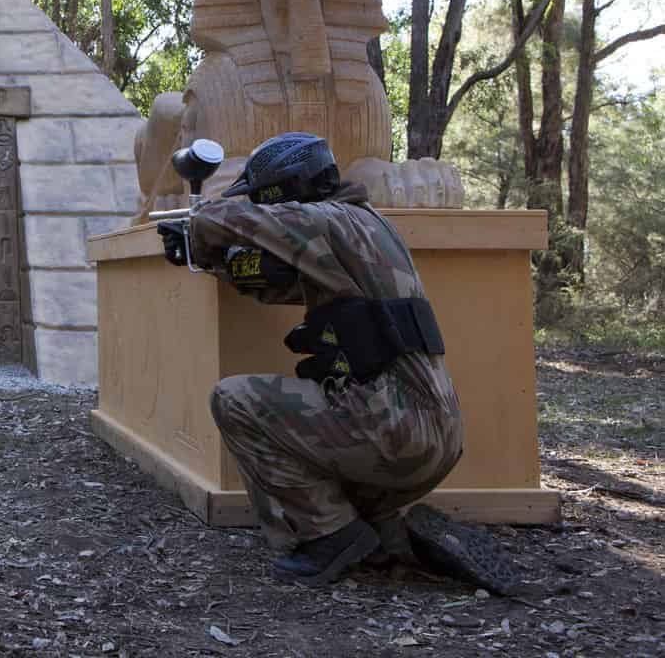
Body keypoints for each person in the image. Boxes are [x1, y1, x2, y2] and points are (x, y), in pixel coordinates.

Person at [162, 132, 513, 591]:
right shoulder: (365, 227)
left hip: (395, 429)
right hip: (436, 435)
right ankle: (391, 539)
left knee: (234, 400)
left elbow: (230, 219)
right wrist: (224, 264)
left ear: (283, 190)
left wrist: (194, 231)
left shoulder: (327, 222)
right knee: (324, 444)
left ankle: (330, 538)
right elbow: (272, 282)